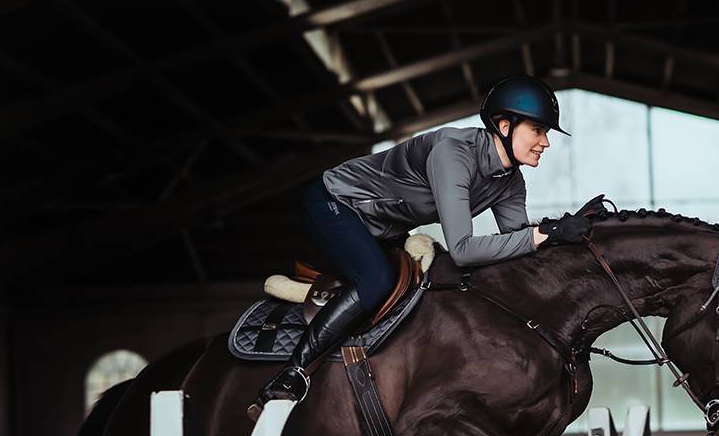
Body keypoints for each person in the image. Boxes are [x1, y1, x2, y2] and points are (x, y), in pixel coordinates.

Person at [248, 75, 599, 418]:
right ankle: (292, 374)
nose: (546, 143)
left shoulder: (510, 182)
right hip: (334, 204)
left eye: (546, 133)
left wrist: (561, 235)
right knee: (376, 280)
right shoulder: (452, 153)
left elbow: (518, 251)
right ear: (504, 126)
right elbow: (463, 249)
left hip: (383, 228)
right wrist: (541, 235)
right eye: (538, 131)